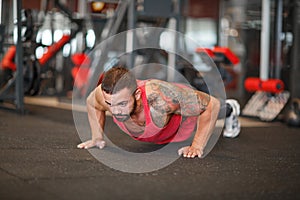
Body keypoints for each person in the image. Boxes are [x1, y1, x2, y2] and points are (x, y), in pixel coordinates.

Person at [77, 66, 240, 158]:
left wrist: (197, 146)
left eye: (122, 104)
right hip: (161, 128)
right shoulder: (106, 95)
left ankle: (231, 109)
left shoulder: (163, 99)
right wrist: (97, 137)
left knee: (212, 111)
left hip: (183, 119)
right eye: (110, 104)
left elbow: (211, 105)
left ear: (138, 94)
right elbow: (93, 104)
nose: (115, 111)